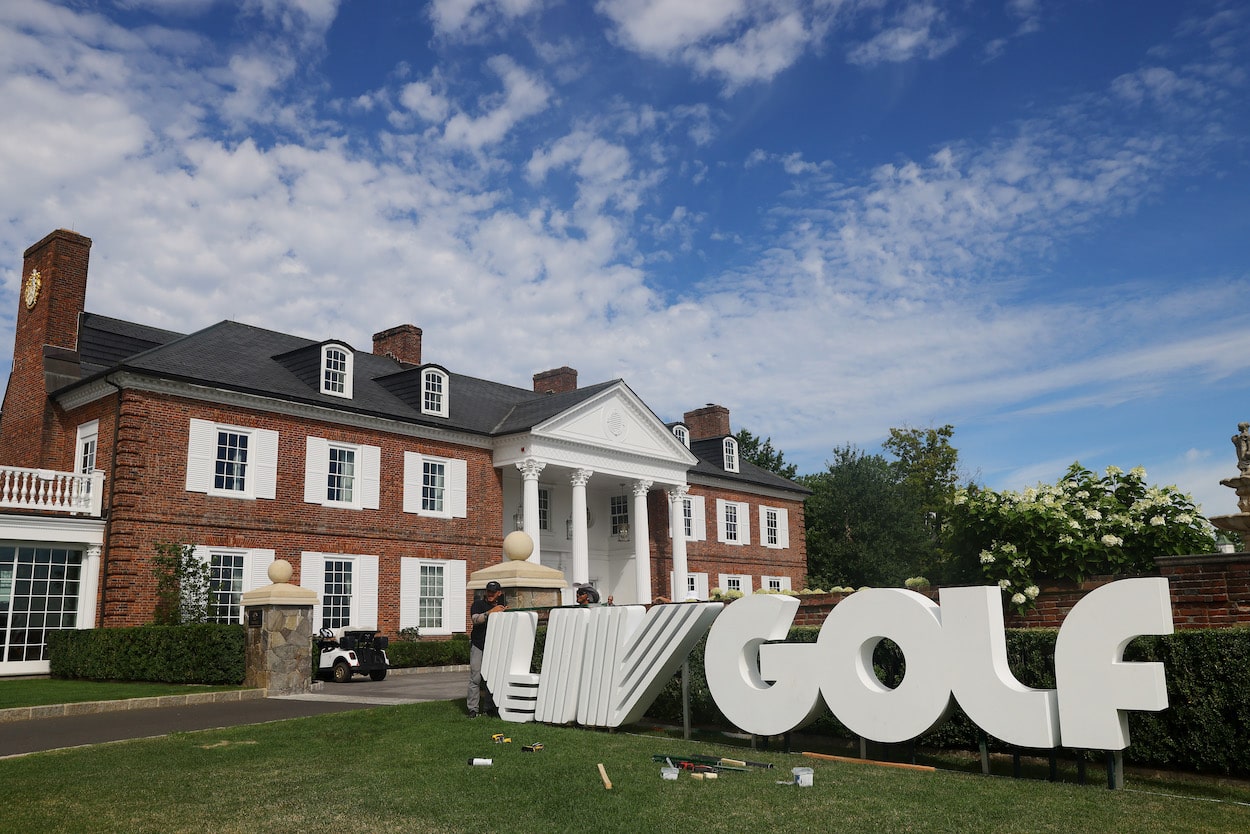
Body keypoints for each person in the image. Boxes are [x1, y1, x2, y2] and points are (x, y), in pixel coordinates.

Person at [467, 580, 506, 718]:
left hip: (494, 646)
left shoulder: (503, 606)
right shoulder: (478, 604)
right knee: (475, 678)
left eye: (493, 592)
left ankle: (489, 708)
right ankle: (473, 709)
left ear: (499, 593)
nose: (490, 594)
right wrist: (491, 612)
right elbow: (475, 619)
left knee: (491, 678)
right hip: (478, 644)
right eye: (488, 591)